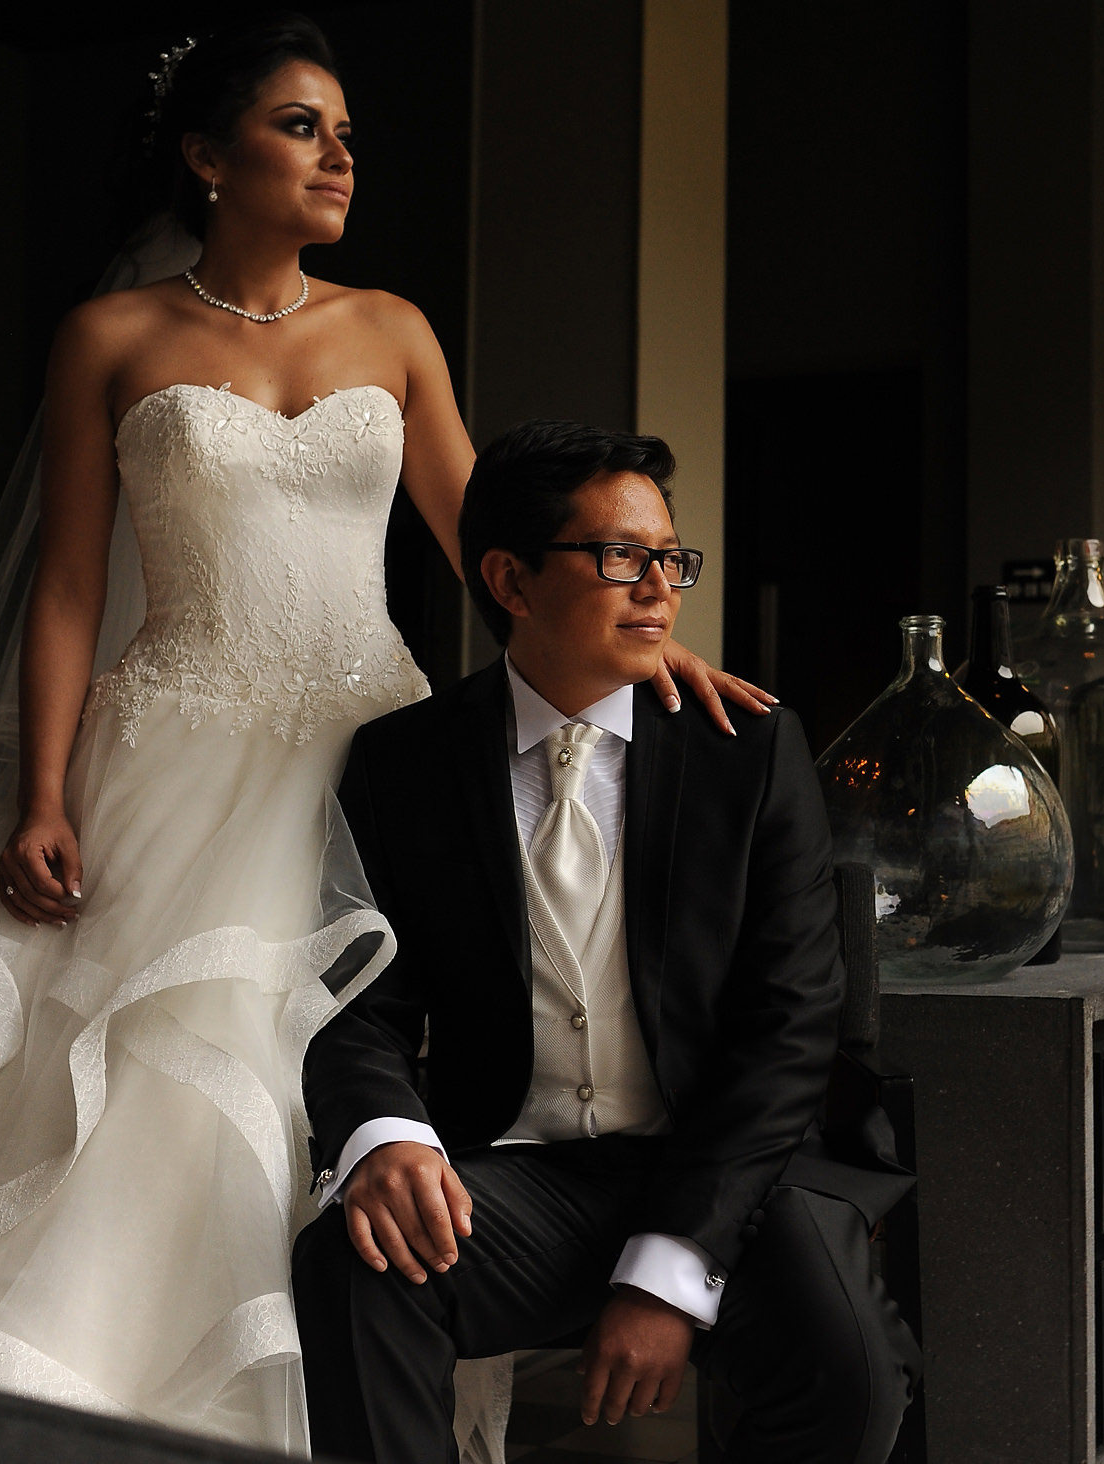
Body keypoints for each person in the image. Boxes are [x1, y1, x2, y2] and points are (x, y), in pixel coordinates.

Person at [0, 17, 764, 1452]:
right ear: (205, 155)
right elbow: (65, 584)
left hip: (377, 748)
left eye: (348, 130)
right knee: (174, 1066)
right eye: (303, 126)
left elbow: (507, 556)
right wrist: (43, 790)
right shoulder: (112, 339)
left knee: (360, 1070)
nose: (342, 153)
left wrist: (656, 643)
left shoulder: (394, 330)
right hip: (175, 758)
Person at [293, 420, 919, 1464]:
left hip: (732, 1170)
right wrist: (387, 1139)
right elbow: (358, 1000)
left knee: (848, 1369)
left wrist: (670, 1267)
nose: (660, 587)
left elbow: (792, 1025)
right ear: (512, 579)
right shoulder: (406, 764)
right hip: (526, 1172)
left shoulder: (748, 751)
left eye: (669, 558)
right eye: (620, 557)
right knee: (355, 1266)